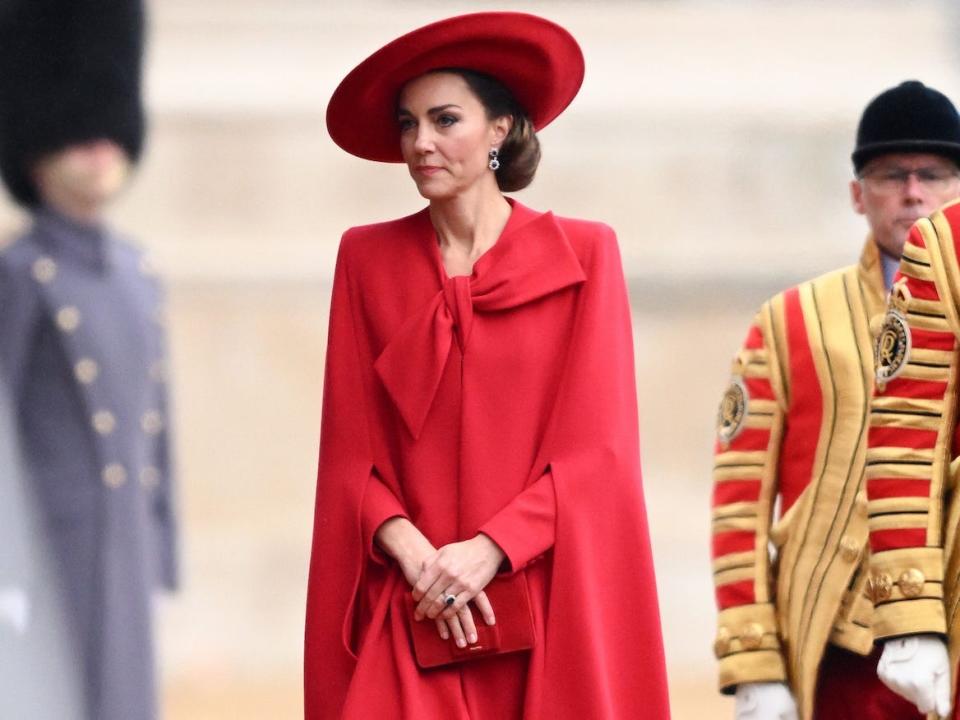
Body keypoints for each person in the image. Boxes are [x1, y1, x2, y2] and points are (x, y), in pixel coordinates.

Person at [304, 11, 669, 720]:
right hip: (413, 602)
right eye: (408, 125)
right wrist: (412, 552)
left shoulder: (587, 255)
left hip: (546, 597)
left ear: (500, 129)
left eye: (445, 120)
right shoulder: (365, 259)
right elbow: (349, 449)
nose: (421, 143)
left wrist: (490, 550)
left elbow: (600, 450)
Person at [710, 80, 960, 720]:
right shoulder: (789, 319)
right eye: (890, 174)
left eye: (933, 172)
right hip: (832, 649)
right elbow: (738, 506)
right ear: (857, 193)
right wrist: (753, 664)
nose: (913, 192)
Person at [0, 1, 178, 718]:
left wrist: (163, 547)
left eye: (108, 130)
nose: (99, 146)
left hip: (125, 538)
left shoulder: (138, 271)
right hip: (47, 545)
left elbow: (157, 427)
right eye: (78, 133)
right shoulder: (22, 273)